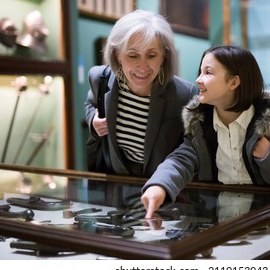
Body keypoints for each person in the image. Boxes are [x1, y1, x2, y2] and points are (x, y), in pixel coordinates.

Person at [141, 45, 270, 219]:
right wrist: (159, 185)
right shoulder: (200, 125)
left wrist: (268, 155)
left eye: (208, 72)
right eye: (200, 72)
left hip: (265, 224)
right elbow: (181, 160)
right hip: (217, 225)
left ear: (234, 82)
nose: (198, 80)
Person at [84, 10, 197, 176]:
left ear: (163, 55)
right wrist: (92, 118)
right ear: (118, 55)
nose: (143, 67)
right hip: (116, 183)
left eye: (151, 55)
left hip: (163, 189)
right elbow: (90, 104)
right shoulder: (99, 79)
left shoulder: (185, 94)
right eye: (133, 55)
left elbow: (191, 151)